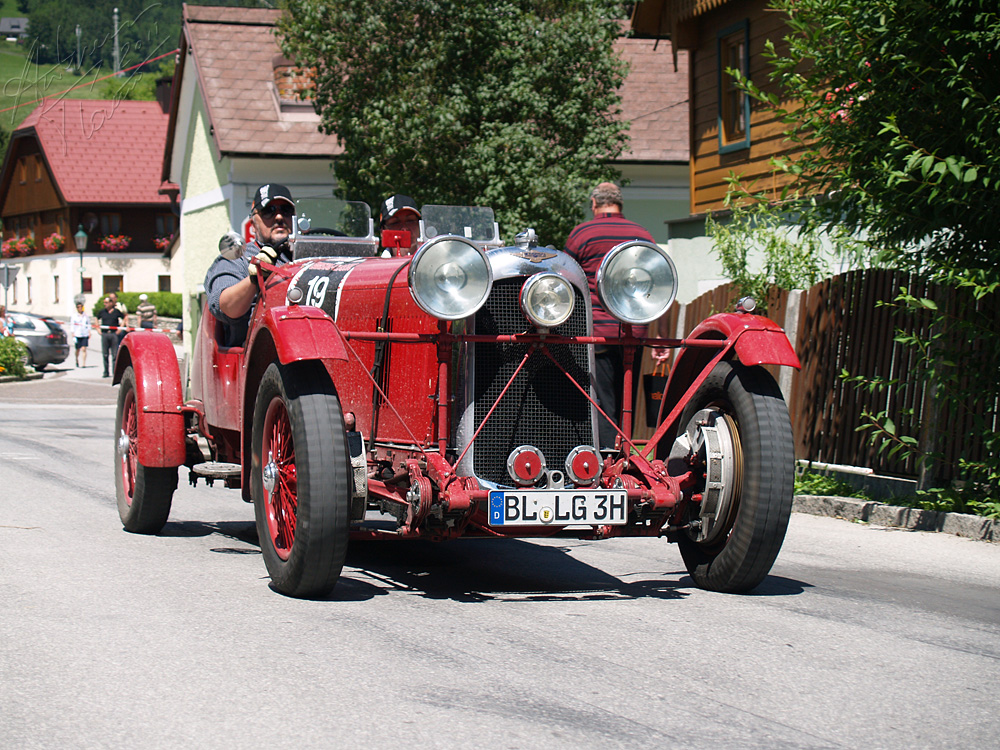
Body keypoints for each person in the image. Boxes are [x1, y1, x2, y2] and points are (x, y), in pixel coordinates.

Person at [565, 181, 664, 450]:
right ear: (620, 204)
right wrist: (659, 337)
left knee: (601, 400)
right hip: (634, 330)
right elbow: (658, 283)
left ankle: (606, 457)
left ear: (594, 204)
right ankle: (623, 454)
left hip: (596, 332)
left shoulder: (582, 234)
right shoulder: (641, 235)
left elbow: (565, 279)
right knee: (626, 399)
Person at [204, 183, 296, 347]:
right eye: (269, 211)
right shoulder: (237, 258)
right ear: (253, 225)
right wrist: (255, 278)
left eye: (286, 210)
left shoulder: (310, 257)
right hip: (256, 357)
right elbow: (225, 306)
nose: (279, 217)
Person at [96, 296, 124, 377]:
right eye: (104, 303)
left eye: (107, 302)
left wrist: (120, 329)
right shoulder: (102, 312)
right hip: (105, 334)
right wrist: (98, 329)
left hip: (113, 334)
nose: (105, 304)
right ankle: (106, 371)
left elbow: (125, 317)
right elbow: (96, 319)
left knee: (115, 354)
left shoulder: (116, 312)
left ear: (111, 303)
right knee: (105, 354)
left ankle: (115, 372)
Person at [68, 301, 92, 367]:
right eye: (78, 307)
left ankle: (84, 363)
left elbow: (88, 324)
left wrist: (89, 331)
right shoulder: (74, 316)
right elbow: (72, 325)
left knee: (84, 349)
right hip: (77, 334)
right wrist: (73, 333)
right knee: (78, 349)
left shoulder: (85, 316)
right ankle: (76, 359)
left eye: (81, 307)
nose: (80, 308)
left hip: (84, 333)